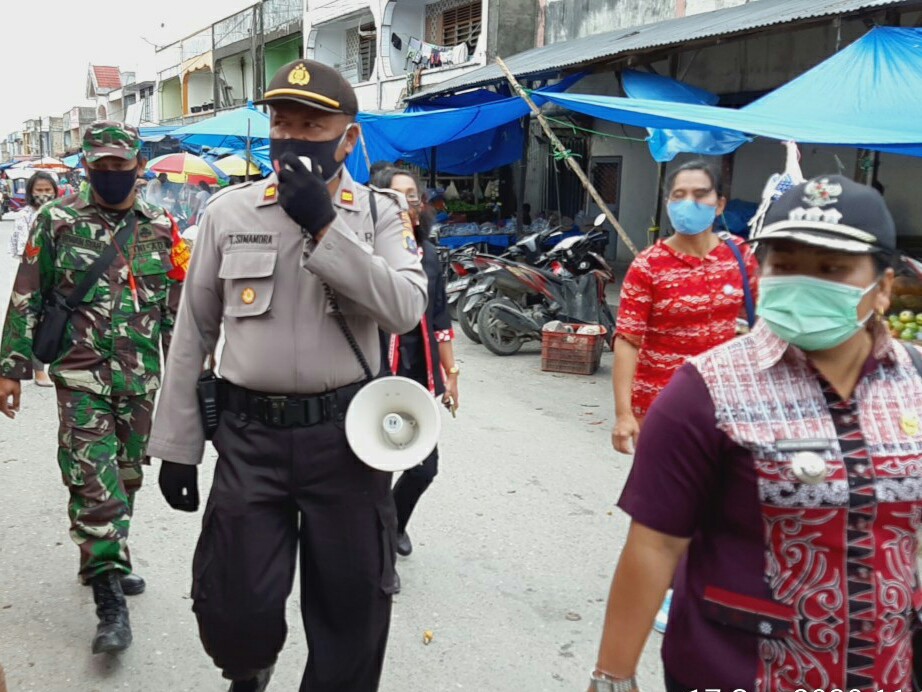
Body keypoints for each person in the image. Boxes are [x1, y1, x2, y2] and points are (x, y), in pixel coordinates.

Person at [147, 59, 427, 692]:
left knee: (353, 610)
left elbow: (406, 310)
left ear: (348, 138)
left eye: (312, 125)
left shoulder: (379, 214)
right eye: (282, 123)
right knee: (233, 604)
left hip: (347, 441)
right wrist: (177, 448)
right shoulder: (228, 211)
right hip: (249, 437)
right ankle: (250, 668)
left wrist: (324, 226)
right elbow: (194, 334)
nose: (294, 138)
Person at [589, 175, 922, 691]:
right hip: (738, 668)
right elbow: (653, 545)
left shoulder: (914, 383)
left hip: (885, 670)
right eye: (785, 265)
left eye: (832, 268)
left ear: (883, 288)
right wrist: (613, 676)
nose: (805, 282)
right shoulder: (703, 391)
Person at [0, 122, 187, 655]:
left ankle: (108, 553)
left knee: (125, 476)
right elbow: (27, 294)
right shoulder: (56, 221)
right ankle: (109, 599)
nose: (109, 175)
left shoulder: (160, 225)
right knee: (92, 479)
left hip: (139, 381)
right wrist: (10, 368)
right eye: (99, 167)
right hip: (81, 377)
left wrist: (192, 377)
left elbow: (176, 310)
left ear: (138, 167)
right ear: (86, 167)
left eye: (118, 167)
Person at [610, 160, 759, 633]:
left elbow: (762, 328)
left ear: (718, 203)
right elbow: (628, 339)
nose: (687, 204)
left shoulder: (741, 257)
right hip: (665, 411)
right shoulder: (648, 265)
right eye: (678, 195)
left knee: (725, 501)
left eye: (699, 195)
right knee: (668, 508)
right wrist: (623, 414)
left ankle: (705, 581)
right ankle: (670, 590)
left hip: (733, 406)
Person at [373, 167, 459, 574]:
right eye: (396, 194)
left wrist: (451, 374)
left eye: (412, 194)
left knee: (424, 466)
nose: (406, 201)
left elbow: (440, 320)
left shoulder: (431, 256)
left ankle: (392, 523)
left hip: (417, 375)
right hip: (372, 377)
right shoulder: (366, 252)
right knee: (373, 468)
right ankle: (379, 556)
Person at [7, 172, 58, 387]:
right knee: (35, 322)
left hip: (59, 275)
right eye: (39, 190)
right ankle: (37, 370)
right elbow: (23, 250)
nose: (44, 194)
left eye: (48, 190)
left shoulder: (63, 214)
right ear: (30, 192)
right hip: (34, 275)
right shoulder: (24, 217)